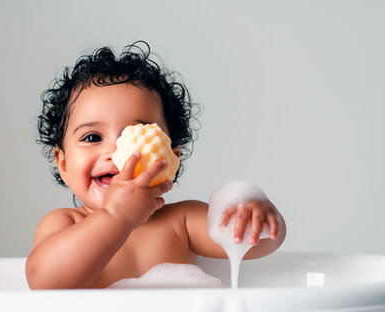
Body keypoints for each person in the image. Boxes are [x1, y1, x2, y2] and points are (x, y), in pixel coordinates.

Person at [27, 41, 285, 289]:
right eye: (92, 138)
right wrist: (116, 217)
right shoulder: (65, 222)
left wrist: (257, 214)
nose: (115, 152)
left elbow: (259, 244)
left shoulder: (181, 222)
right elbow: (45, 279)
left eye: (135, 137)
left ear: (171, 159)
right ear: (63, 163)